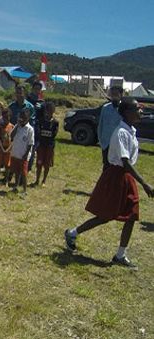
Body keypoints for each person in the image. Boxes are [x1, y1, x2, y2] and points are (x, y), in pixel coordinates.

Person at [64, 98, 153, 269]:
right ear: (127, 112)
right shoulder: (121, 132)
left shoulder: (131, 131)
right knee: (105, 216)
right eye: (137, 109)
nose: (141, 111)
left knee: (132, 215)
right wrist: (144, 183)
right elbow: (125, 162)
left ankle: (120, 254)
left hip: (126, 176)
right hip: (117, 175)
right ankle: (72, 233)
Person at [7, 109, 35, 195]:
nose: (22, 119)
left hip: (23, 155)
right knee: (16, 171)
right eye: (21, 117)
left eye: (24, 118)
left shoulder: (29, 129)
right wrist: (17, 126)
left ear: (28, 119)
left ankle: (24, 190)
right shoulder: (17, 126)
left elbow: (30, 143)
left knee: (23, 173)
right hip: (15, 153)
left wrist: (26, 155)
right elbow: (11, 136)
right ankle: (15, 187)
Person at [97, 85, 124, 169]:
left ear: (121, 95)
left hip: (118, 143)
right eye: (112, 94)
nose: (114, 97)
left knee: (116, 167)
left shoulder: (124, 109)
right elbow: (101, 125)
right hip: (106, 143)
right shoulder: (105, 108)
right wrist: (101, 141)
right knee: (106, 165)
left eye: (116, 94)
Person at [34, 102, 58, 186]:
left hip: (49, 146)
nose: (49, 113)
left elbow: (54, 134)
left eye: (51, 111)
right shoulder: (41, 121)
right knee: (39, 163)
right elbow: (38, 132)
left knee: (47, 164)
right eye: (48, 111)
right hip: (41, 145)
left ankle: (44, 180)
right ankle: (37, 180)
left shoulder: (55, 122)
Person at [0, 107, 13, 184]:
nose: (6, 119)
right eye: (4, 117)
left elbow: (13, 138)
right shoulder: (0, 126)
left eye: (8, 117)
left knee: (7, 165)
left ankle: (6, 180)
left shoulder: (12, 127)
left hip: (8, 148)